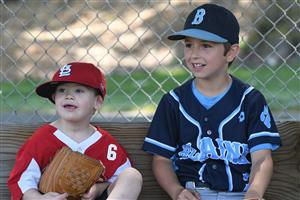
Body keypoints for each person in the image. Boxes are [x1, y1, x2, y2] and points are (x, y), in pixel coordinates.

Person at [142, 3, 281, 200]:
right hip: (193, 194)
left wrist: (255, 193)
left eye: (206, 45)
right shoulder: (173, 101)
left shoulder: (250, 100)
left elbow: (262, 159)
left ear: (231, 52)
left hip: (240, 194)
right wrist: (176, 191)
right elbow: (161, 160)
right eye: (189, 45)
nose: (194, 54)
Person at [8, 62, 143, 200]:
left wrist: (99, 188)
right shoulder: (42, 139)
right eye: (62, 90)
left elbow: (119, 180)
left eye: (78, 90)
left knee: (131, 175)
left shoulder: (106, 144)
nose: (68, 96)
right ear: (54, 98)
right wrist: (39, 198)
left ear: (97, 102)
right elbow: (22, 182)